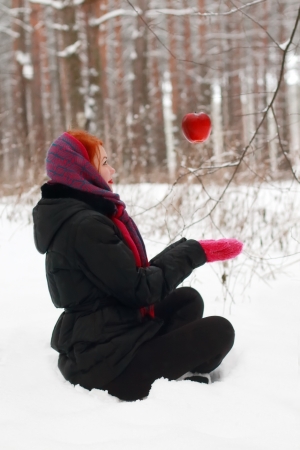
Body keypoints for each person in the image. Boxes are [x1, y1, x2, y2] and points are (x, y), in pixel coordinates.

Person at [33, 130, 243, 401]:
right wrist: (193, 253)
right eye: (104, 162)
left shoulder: (81, 215)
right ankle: (156, 380)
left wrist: (186, 249)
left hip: (110, 336)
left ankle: (160, 362)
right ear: (83, 170)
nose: (112, 169)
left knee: (187, 300)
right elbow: (140, 289)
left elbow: (127, 279)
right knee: (219, 332)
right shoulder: (84, 226)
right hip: (106, 366)